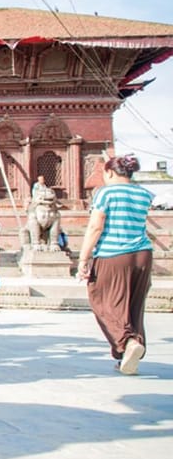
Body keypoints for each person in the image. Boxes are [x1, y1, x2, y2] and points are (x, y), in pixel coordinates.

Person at [77, 154, 153, 375]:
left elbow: (96, 227)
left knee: (101, 299)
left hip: (113, 254)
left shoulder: (106, 192)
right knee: (133, 305)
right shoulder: (144, 193)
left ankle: (128, 342)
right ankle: (127, 357)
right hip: (143, 254)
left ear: (110, 172)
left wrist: (83, 258)